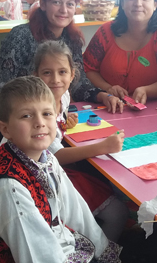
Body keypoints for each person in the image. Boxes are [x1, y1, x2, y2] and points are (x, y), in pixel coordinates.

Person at [0, 76, 144, 263]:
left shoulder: (44, 158)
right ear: (5, 129)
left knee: (133, 258)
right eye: (26, 116)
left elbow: (77, 211)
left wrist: (109, 258)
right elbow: (35, 253)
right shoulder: (9, 186)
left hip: (45, 248)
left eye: (47, 114)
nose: (40, 123)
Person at [0, 0, 123, 159]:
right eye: (56, 2)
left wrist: (103, 95)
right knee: (39, 154)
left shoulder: (72, 40)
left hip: (40, 114)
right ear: (43, 4)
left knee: (67, 146)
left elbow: (78, 80)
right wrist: (33, 114)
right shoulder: (21, 36)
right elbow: (0, 89)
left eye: (70, 4)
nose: (63, 10)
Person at [29, 40, 128, 241]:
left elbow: (56, 127)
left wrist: (64, 122)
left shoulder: (64, 96)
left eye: (62, 72)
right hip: (42, 177)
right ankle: (97, 255)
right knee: (118, 212)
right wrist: (103, 147)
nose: (56, 80)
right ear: (36, 75)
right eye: (47, 72)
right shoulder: (39, 109)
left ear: (72, 74)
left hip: (53, 168)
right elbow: (57, 155)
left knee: (106, 186)